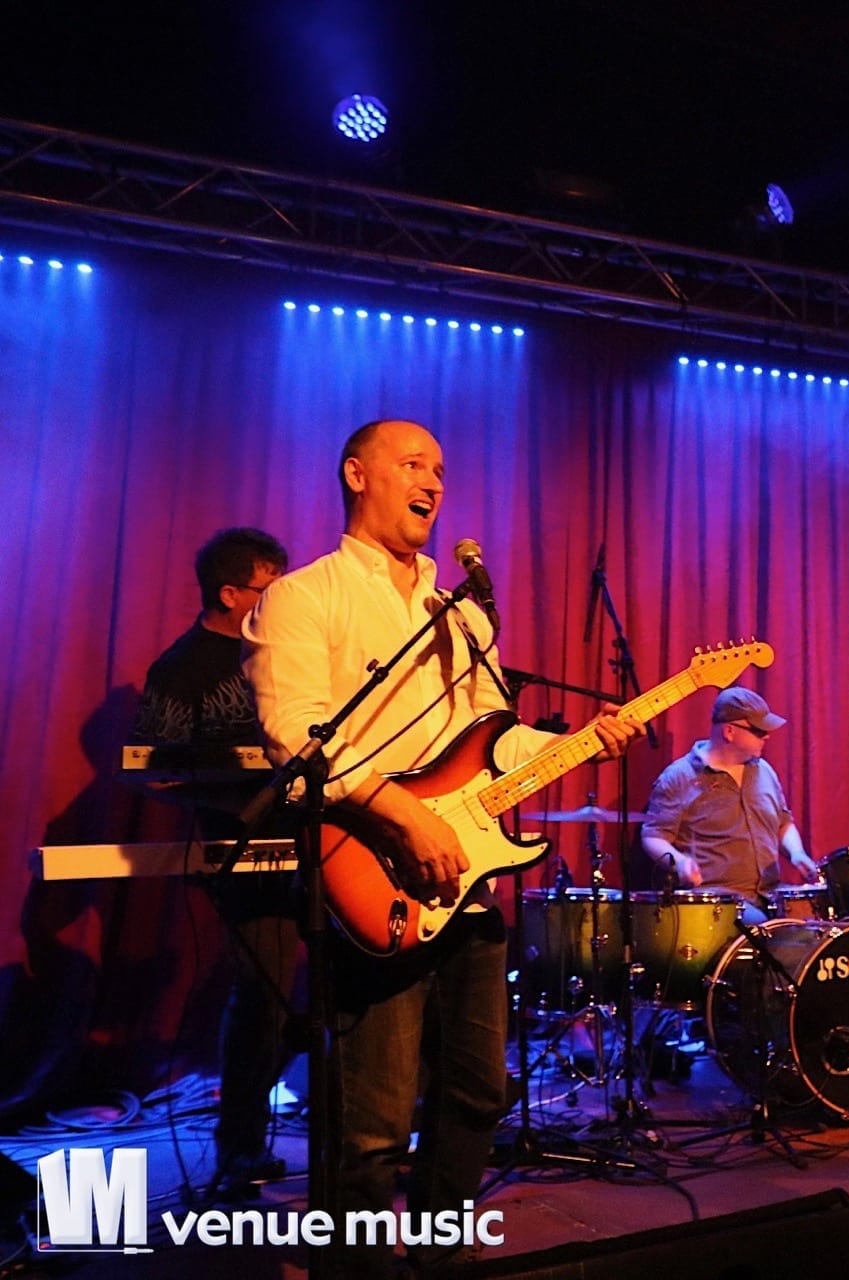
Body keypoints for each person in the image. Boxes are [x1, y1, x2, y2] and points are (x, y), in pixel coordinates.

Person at [244, 419, 640, 1276]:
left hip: (468, 880)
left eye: (442, 470)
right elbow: (294, 734)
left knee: (477, 1090)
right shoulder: (304, 596)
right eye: (413, 464)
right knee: (374, 1121)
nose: (434, 482)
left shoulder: (459, 614)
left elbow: (492, 743)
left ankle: (439, 1251)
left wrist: (582, 741)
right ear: (357, 474)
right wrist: (400, 814)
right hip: (370, 873)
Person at [131, 526, 299, 1200]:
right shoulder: (183, 667)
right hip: (244, 847)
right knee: (265, 994)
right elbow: (152, 766)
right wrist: (226, 785)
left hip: (327, 837)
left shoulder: (291, 651)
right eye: (268, 588)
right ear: (230, 594)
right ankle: (241, 1145)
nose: (281, 598)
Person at [639, 687, 818, 923]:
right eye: (758, 731)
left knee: (820, 927)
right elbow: (653, 836)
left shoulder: (764, 770)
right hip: (718, 902)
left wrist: (797, 853)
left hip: (771, 895)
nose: (766, 736)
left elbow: (783, 824)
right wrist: (680, 862)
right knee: (763, 929)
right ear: (729, 731)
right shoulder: (679, 777)